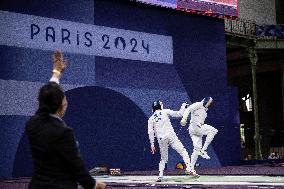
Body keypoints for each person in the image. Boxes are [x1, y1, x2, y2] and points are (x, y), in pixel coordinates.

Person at [25, 51, 106, 189]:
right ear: (61, 105)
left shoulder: (32, 125)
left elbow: (48, 95)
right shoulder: (63, 133)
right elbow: (77, 168)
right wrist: (95, 185)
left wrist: (56, 72)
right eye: (64, 97)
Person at [148, 100, 197, 182]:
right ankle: (189, 169)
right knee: (183, 151)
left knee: (163, 159)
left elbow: (150, 132)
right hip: (171, 136)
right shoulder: (165, 111)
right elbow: (179, 114)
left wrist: (152, 144)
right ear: (160, 106)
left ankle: (160, 176)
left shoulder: (151, 118)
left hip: (161, 139)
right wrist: (183, 106)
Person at [180, 97, 218, 176]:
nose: (209, 104)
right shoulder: (198, 104)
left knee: (196, 149)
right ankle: (203, 150)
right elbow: (188, 109)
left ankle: (190, 169)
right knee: (214, 131)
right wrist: (184, 119)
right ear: (206, 101)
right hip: (195, 127)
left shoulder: (205, 111)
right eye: (209, 102)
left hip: (196, 131)